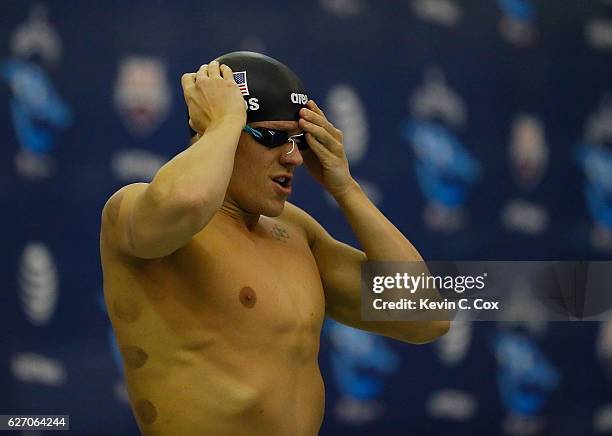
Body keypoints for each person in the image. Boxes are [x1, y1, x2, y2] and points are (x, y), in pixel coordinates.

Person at [100, 51, 450, 436]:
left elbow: (425, 315)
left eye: (299, 140)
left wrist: (346, 188)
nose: (294, 157)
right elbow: (189, 202)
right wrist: (224, 122)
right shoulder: (135, 212)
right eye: (272, 137)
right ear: (213, 128)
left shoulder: (295, 232)